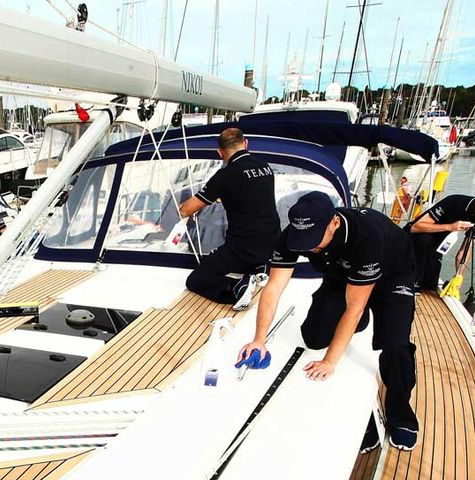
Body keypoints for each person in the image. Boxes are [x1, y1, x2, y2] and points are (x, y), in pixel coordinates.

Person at [239, 192, 420, 451]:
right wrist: (259, 339)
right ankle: (350, 325)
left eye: (313, 241)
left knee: (394, 343)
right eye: (303, 241)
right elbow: (274, 287)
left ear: (334, 222)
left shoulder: (366, 235)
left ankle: (401, 415)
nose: (309, 247)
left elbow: (355, 308)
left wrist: (329, 362)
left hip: (393, 275)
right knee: (314, 338)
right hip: (343, 274)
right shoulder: (293, 236)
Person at [179, 128, 280, 310]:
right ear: (246, 143)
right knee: (251, 244)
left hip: (243, 248)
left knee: (196, 280)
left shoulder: (225, 176)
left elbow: (186, 210)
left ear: (220, 153)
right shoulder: (265, 167)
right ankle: (260, 268)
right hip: (272, 244)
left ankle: (236, 289)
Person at [405, 188, 475, 290]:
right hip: (412, 239)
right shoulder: (455, 201)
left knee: (429, 285)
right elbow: (415, 227)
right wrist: (450, 227)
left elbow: (466, 250)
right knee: (424, 241)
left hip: (436, 245)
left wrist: (459, 276)